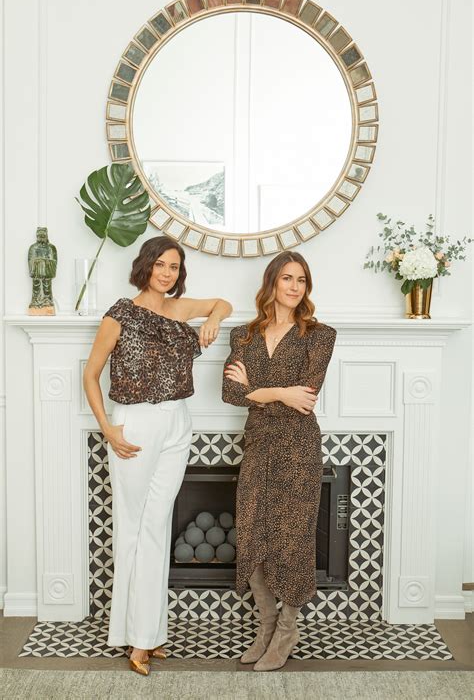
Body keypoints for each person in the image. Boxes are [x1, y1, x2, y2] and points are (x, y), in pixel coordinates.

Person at [84, 235, 232, 676]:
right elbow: (91, 374)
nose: (167, 273)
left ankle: (148, 633)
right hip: (135, 422)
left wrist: (213, 321)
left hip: (177, 423)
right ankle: (135, 637)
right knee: (132, 528)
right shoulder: (120, 314)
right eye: (161, 265)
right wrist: (107, 428)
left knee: (156, 527)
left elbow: (222, 303)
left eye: (174, 267)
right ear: (145, 266)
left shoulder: (179, 309)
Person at [222, 251, 336, 672]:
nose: (294, 287)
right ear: (271, 282)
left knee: (293, 540)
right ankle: (266, 626)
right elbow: (229, 393)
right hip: (259, 446)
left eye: (301, 280)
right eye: (287, 278)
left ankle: (287, 629)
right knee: (253, 535)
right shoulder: (243, 336)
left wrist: (257, 389)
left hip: (299, 447)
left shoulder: (319, 335)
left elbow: (305, 398)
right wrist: (279, 392)